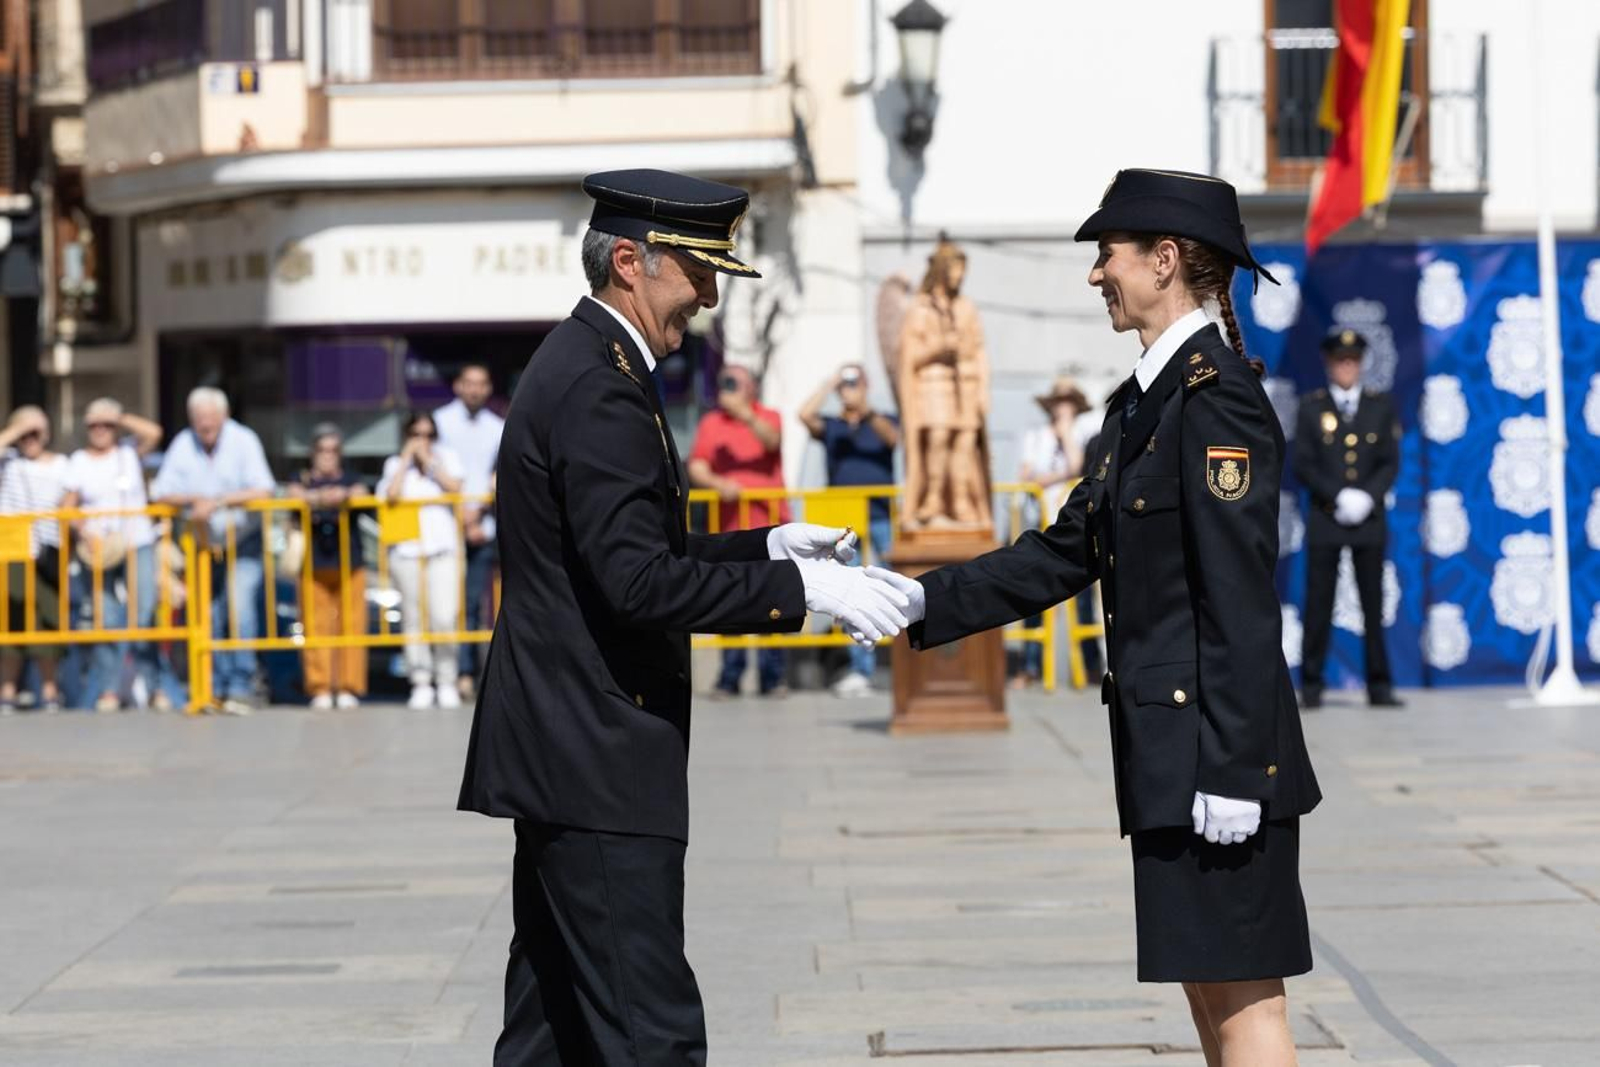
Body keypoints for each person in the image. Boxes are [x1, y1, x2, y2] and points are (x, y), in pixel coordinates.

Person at [869, 170, 1321, 1067]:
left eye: (1107, 254)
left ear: (1164, 260)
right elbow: (1064, 550)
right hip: (1168, 751)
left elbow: (1238, 600)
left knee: (1246, 1004)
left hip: (1216, 755)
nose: (1095, 274)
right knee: (1209, 994)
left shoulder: (1216, 399)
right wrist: (921, 598)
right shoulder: (1142, 405)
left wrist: (1235, 771)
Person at [457, 168, 908, 1066]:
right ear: (631, 262)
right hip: (595, 753)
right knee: (650, 1032)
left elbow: (629, 548)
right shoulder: (600, 384)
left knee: (551, 1029)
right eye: (698, 272)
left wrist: (767, 546)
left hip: (566, 746)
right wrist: (804, 594)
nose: (708, 296)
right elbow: (638, 582)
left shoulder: (593, 363)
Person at [1293, 328, 1403, 709]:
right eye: (1340, 360)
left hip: (1368, 520)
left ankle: (1379, 686)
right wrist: (1337, 495)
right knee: (1318, 602)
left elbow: (1389, 461)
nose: (1346, 367)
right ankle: (1311, 685)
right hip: (1327, 518)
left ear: (1360, 364)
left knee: (1373, 603)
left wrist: (1367, 497)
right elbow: (1303, 462)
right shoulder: (1311, 407)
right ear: (1329, 363)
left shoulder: (1379, 406)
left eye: (1352, 360)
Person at [150, 387, 276, 716]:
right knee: (210, 615)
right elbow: (161, 492)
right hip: (203, 545)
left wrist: (218, 501)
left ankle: (241, 686)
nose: (205, 424)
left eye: (210, 417)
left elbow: (263, 490)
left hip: (243, 540)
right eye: (199, 418)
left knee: (240, 608)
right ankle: (215, 687)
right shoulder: (183, 443)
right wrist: (195, 500)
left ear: (224, 416)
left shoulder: (243, 440)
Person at [688, 364, 792, 697]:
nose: (728, 387)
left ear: (751, 388)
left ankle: (773, 677)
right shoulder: (711, 423)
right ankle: (730, 677)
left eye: (734, 382)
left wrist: (745, 414)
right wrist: (718, 483)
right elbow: (697, 465)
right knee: (731, 602)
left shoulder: (769, 416)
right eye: (724, 382)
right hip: (730, 527)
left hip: (770, 525)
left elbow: (772, 441)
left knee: (774, 600)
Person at [799, 362, 900, 697]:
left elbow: (894, 439)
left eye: (854, 382)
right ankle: (861, 670)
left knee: (894, 590)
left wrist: (865, 409)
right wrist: (829, 383)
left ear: (866, 386)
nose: (848, 389)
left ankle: (908, 665)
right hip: (846, 522)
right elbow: (804, 415)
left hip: (881, 516)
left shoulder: (882, 419)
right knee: (852, 595)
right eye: (845, 384)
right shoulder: (833, 425)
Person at [59, 398, 165, 712]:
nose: (101, 430)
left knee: (144, 614)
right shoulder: (79, 461)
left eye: (106, 425)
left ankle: (154, 685)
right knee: (107, 618)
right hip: (100, 550)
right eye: (94, 424)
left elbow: (155, 433)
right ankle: (109, 689)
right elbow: (67, 508)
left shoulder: (128, 452)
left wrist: (120, 416)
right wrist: (84, 531)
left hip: (137, 541)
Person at [1012, 376, 1098, 689]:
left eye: (1068, 402)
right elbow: (1026, 476)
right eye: (1059, 402)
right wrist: (1056, 474)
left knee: (1082, 602)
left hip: (1074, 523)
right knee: (1034, 596)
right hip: (1041, 520)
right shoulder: (1035, 436)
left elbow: (1078, 467)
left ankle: (1089, 667)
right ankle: (1030, 667)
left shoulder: (1084, 434)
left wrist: (1065, 436)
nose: (1063, 407)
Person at [379, 410, 466, 710]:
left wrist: (430, 462)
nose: (422, 441)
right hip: (407, 551)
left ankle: (447, 679)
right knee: (413, 619)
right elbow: (390, 494)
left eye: (429, 435)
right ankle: (420, 681)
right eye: (416, 435)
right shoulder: (394, 464)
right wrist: (406, 459)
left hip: (441, 550)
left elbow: (456, 487)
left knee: (444, 617)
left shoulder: (446, 458)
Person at [434, 362, 504, 701]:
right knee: (447, 605)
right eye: (469, 383)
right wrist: (462, 516)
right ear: (458, 385)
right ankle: (448, 674)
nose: (475, 389)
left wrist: (477, 514)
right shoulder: (440, 421)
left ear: (488, 388)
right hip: (444, 527)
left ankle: (469, 673)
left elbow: (499, 473)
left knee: (475, 602)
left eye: (481, 383)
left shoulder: (497, 426)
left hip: (483, 526)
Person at [288, 424, 368, 710]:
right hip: (312, 562)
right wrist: (320, 498)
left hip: (349, 561)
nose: (327, 456)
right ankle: (320, 686)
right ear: (313, 453)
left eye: (333, 451)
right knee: (315, 625)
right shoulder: (302, 478)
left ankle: (348, 686)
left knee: (352, 625)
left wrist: (343, 495)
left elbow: (361, 491)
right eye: (322, 450)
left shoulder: (350, 478)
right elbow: (292, 494)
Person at [0, 406, 69, 713]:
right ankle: (8, 691)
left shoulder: (62, 464)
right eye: (24, 432)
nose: (30, 438)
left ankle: (50, 691)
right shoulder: (8, 461)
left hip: (48, 548)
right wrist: (18, 429)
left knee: (47, 619)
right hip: (11, 549)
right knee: (11, 621)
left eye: (36, 432)